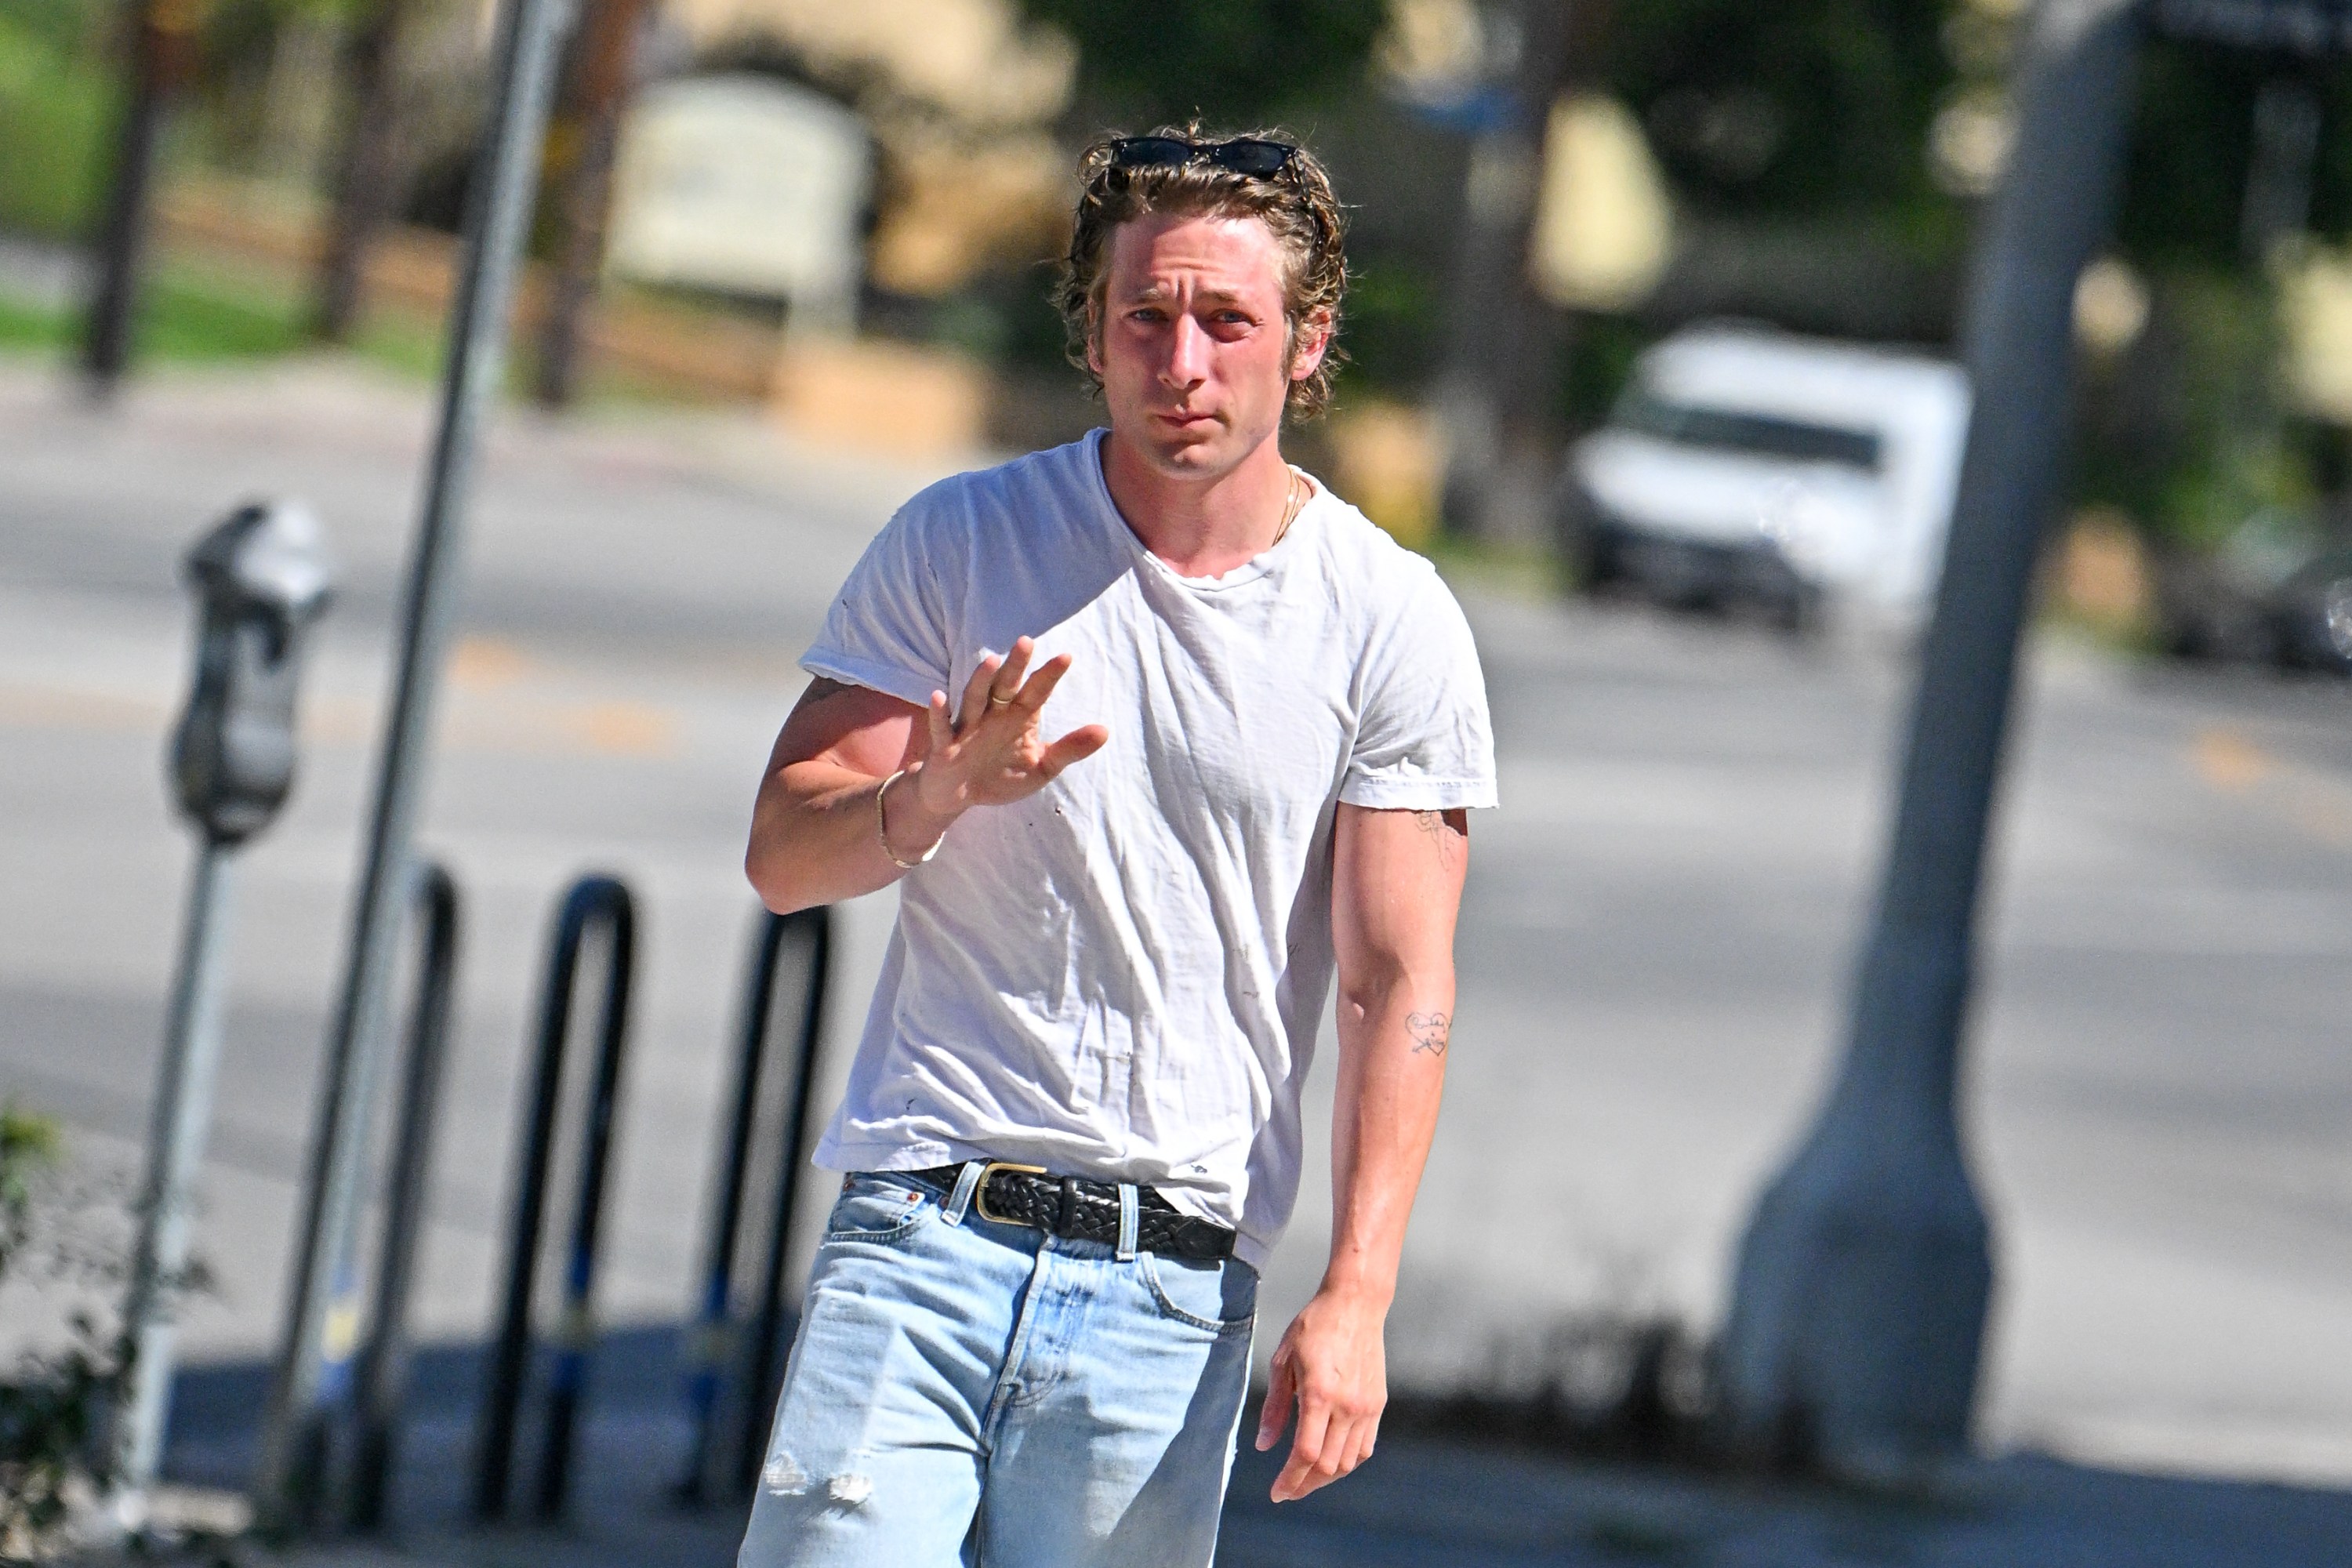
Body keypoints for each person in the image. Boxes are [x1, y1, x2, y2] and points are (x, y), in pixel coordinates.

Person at [737, 126, 1495, 1568]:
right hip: (922, 1236)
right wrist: (935, 793)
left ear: (1305, 342)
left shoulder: (1388, 618)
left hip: (1168, 1294)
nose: (1184, 360)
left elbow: (1401, 986)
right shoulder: (961, 539)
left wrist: (1359, 1291)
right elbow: (782, 857)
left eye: (1227, 320)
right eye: (1146, 316)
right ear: (1094, 330)